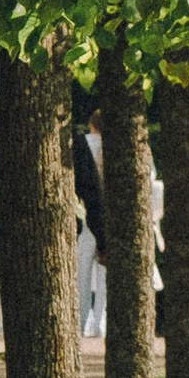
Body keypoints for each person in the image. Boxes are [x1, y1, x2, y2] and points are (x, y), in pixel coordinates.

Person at [72, 117, 107, 339]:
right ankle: (101, 323)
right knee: (103, 275)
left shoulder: (83, 143)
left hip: (86, 214)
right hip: (110, 214)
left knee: (81, 274)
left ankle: (82, 321)